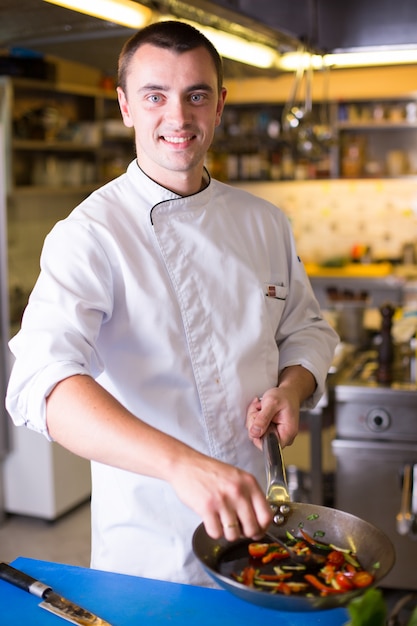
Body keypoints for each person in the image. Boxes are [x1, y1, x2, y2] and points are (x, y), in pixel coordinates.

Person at [5, 21, 339, 586]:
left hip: (260, 523)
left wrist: (292, 387)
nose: (178, 118)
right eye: (155, 96)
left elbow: (306, 330)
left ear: (220, 105)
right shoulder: (90, 233)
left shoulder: (264, 222)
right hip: (152, 547)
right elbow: (42, 380)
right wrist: (183, 465)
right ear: (125, 106)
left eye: (196, 95)